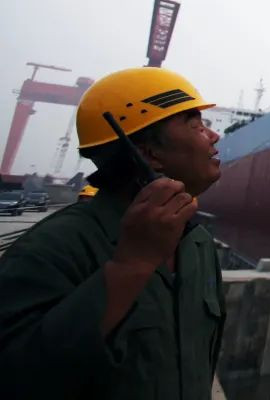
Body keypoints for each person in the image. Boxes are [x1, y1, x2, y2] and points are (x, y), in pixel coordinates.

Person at [0, 67, 226, 399]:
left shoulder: (198, 244)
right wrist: (130, 266)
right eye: (196, 125)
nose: (214, 136)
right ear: (148, 154)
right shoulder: (51, 249)